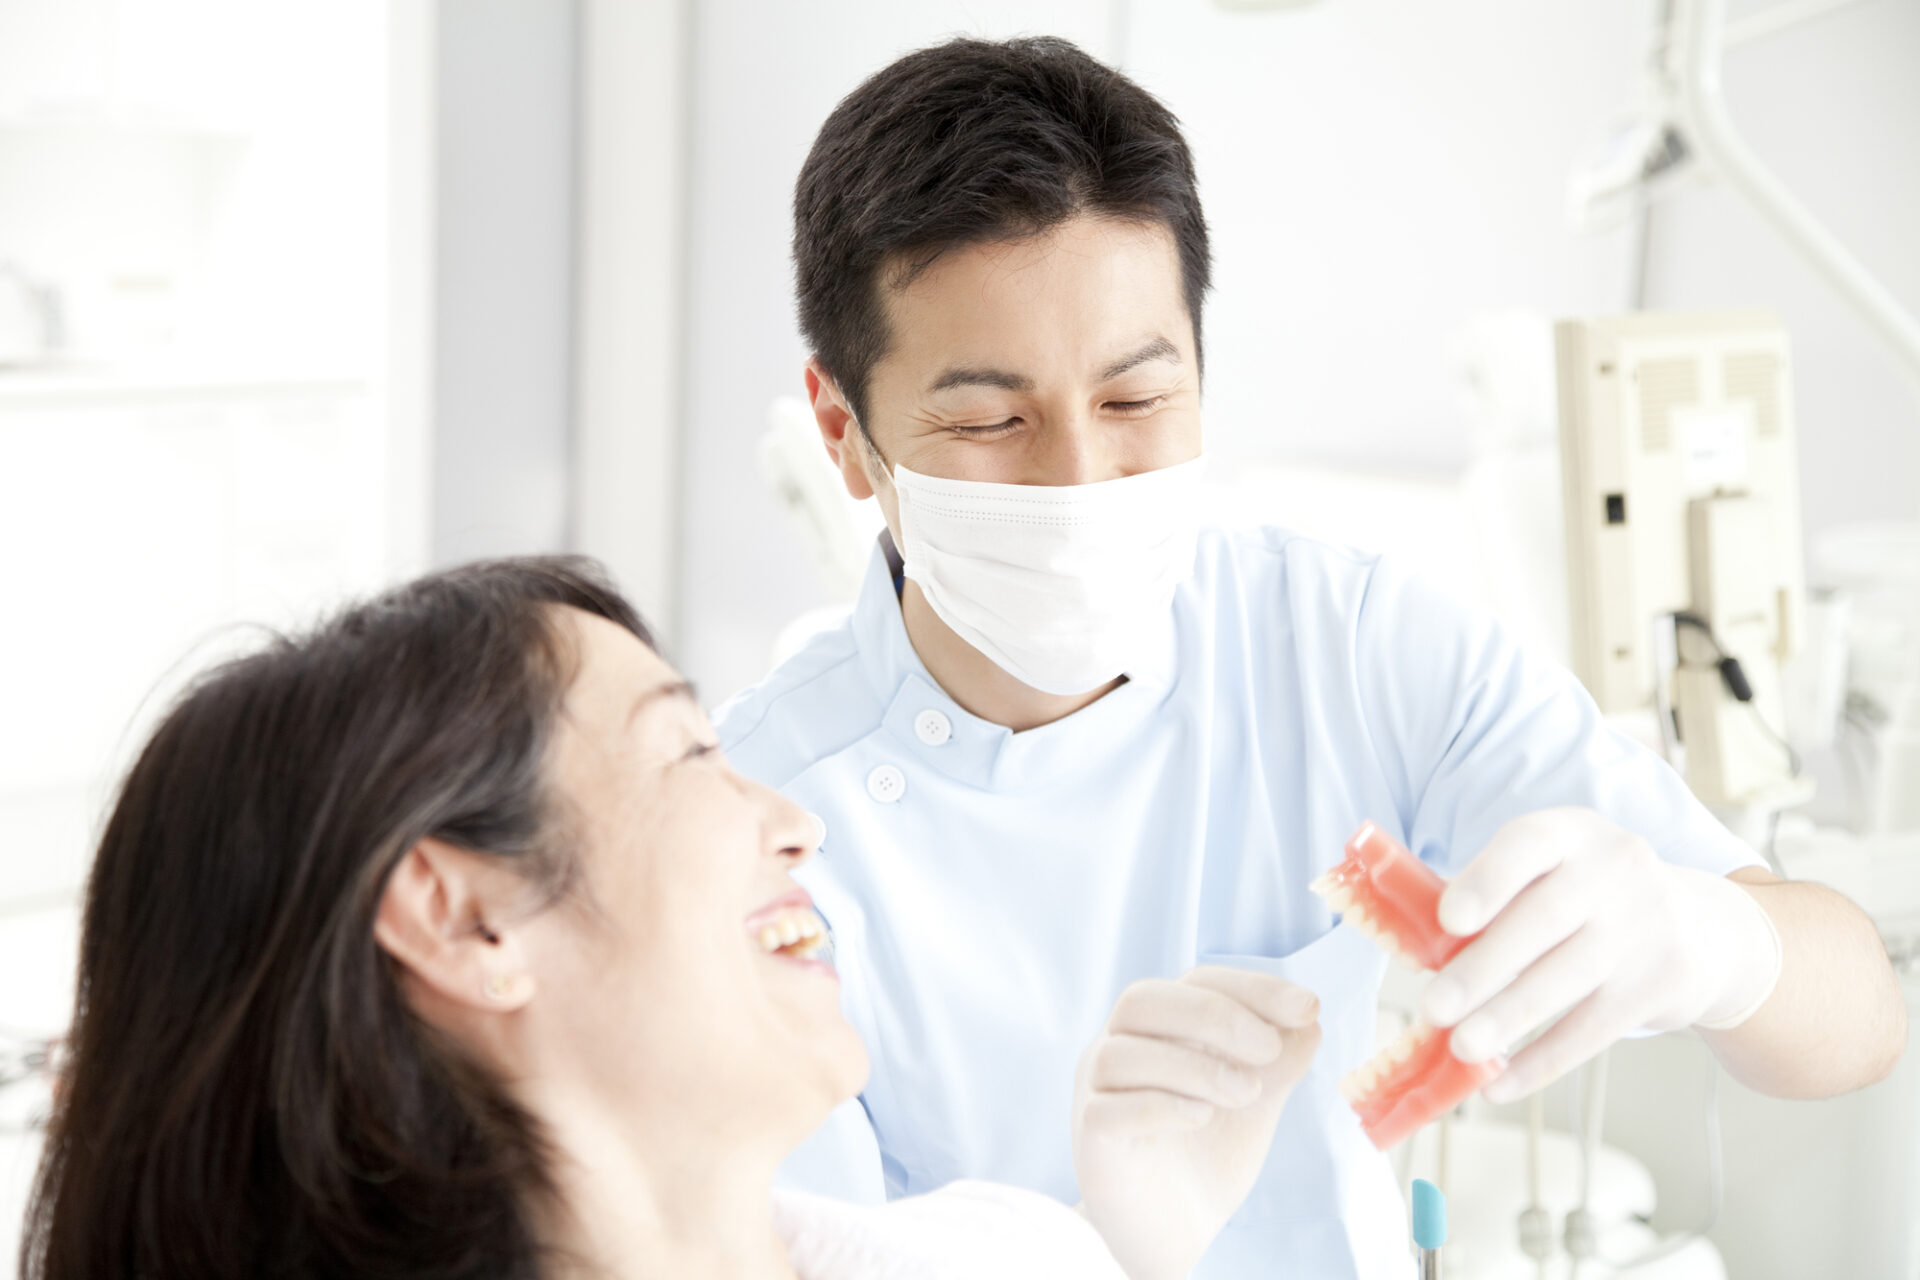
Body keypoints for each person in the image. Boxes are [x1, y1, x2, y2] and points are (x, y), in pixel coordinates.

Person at [713, 34, 1909, 1279]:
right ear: (843, 431)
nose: (1081, 477)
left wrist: (1711, 939)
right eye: (989, 420)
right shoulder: (752, 829)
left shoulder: (1338, 642)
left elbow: (1858, 1020)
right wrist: (1126, 1252)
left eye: (1134, 400)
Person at [20, 558, 1314, 1280]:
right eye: (690, 753)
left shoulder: (1001, 1253)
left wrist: (1137, 1249)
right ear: (466, 921)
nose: (794, 823)